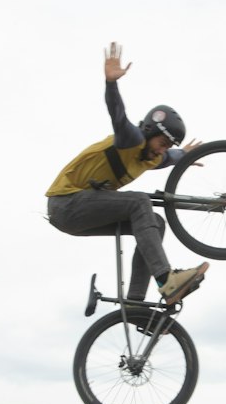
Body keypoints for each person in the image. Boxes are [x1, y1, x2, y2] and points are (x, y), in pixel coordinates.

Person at [46, 42, 210, 304]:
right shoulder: (130, 139)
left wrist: (185, 154)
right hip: (65, 203)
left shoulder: (149, 159)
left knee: (155, 224)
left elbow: (171, 157)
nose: (161, 151)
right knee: (139, 202)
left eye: (167, 147)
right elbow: (118, 115)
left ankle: (135, 303)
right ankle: (167, 280)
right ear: (149, 133)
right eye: (161, 143)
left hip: (79, 215)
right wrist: (111, 84)